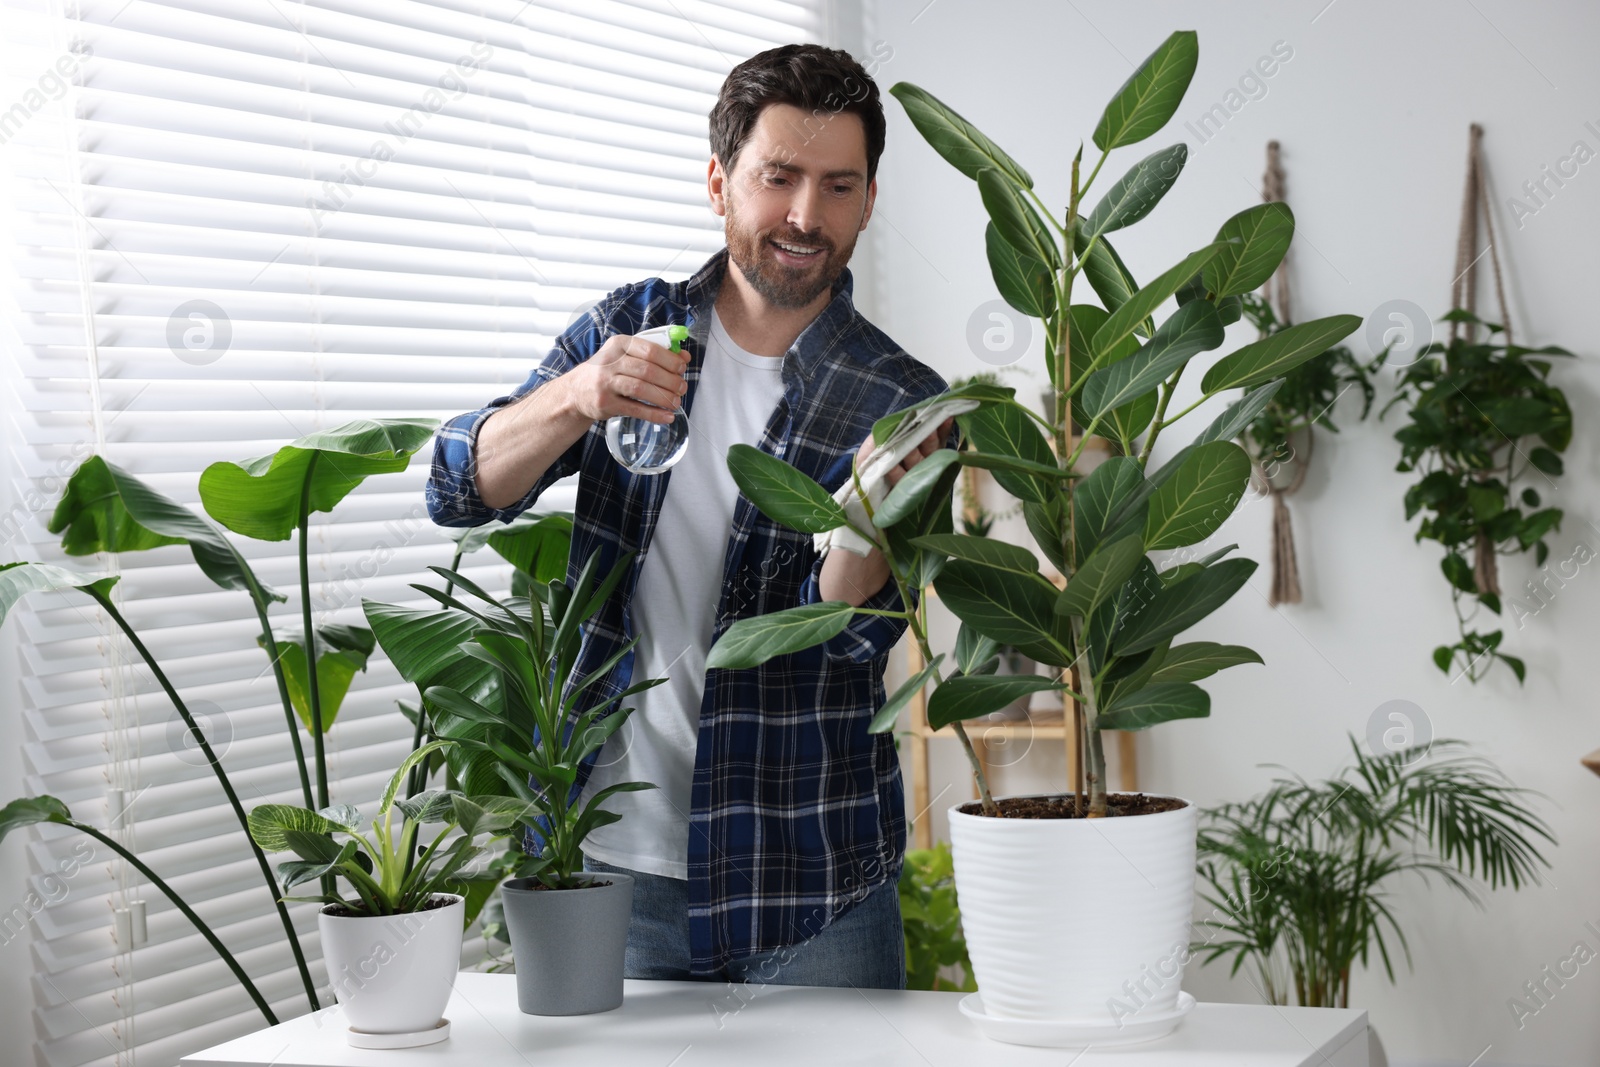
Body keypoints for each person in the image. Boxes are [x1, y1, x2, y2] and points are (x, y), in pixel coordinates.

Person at [426, 43, 952, 988]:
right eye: (777, 178)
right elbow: (459, 487)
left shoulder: (902, 401)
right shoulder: (631, 329)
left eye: (838, 186)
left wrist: (863, 528)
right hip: (606, 875)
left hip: (813, 884)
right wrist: (577, 396)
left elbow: (847, 646)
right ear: (720, 181)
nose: (805, 216)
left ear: (869, 200)